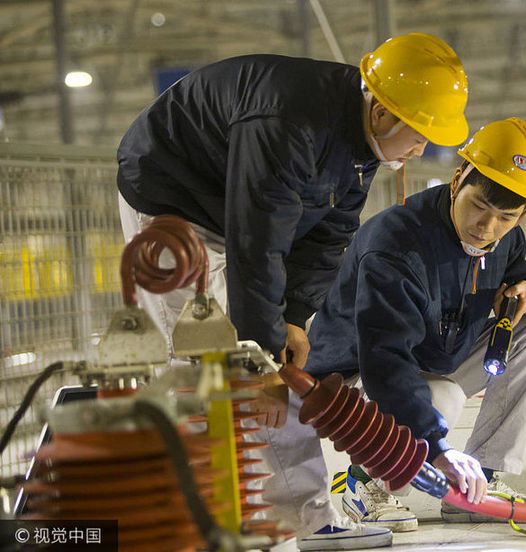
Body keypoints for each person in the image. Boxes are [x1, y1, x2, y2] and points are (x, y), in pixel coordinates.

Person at [116, 33, 469, 550]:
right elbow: (256, 243)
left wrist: (296, 316)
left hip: (231, 210)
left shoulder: (358, 144)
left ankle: (304, 519)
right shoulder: (290, 121)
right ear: (381, 113)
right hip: (170, 198)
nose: (421, 149)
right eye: (419, 135)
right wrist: (260, 345)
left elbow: (328, 235)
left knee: (272, 367)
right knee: (201, 357)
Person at [297, 117, 526, 533]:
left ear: (522, 213)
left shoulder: (504, 236)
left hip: (437, 353)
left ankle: (482, 483)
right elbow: (384, 358)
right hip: (357, 377)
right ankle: (366, 485)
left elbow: (521, 267)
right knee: (442, 395)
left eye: (506, 217)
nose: (486, 228)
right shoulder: (397, 244)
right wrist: (437, 447)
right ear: (457, 181)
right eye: (478, 207)